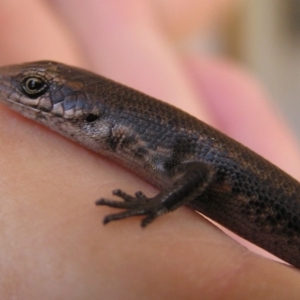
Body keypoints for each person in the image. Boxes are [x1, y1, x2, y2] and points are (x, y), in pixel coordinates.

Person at [0, 0, 300, 298]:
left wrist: (158, 205)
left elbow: (201, 172)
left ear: (89, 111)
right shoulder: (149, 138)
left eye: (33, 86)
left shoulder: (164, 144)